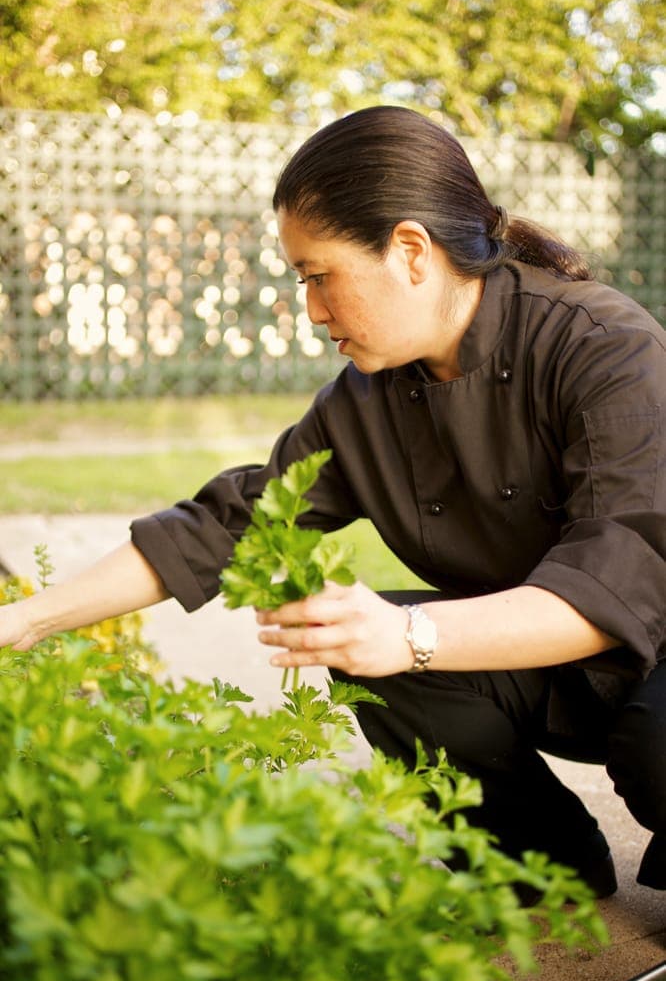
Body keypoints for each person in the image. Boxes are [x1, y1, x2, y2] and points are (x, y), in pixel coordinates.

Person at [1, 105, 664, 895]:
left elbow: (618, 585)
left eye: (320, 276)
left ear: (410, 250)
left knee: (653, 743)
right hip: (558, 675)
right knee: (373, 653)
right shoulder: (368, 399)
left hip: (654, 662)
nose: (312, 311)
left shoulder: (602, 346)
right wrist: (26, 620)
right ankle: (538, 866)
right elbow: (229, 522)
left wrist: (409, 631)